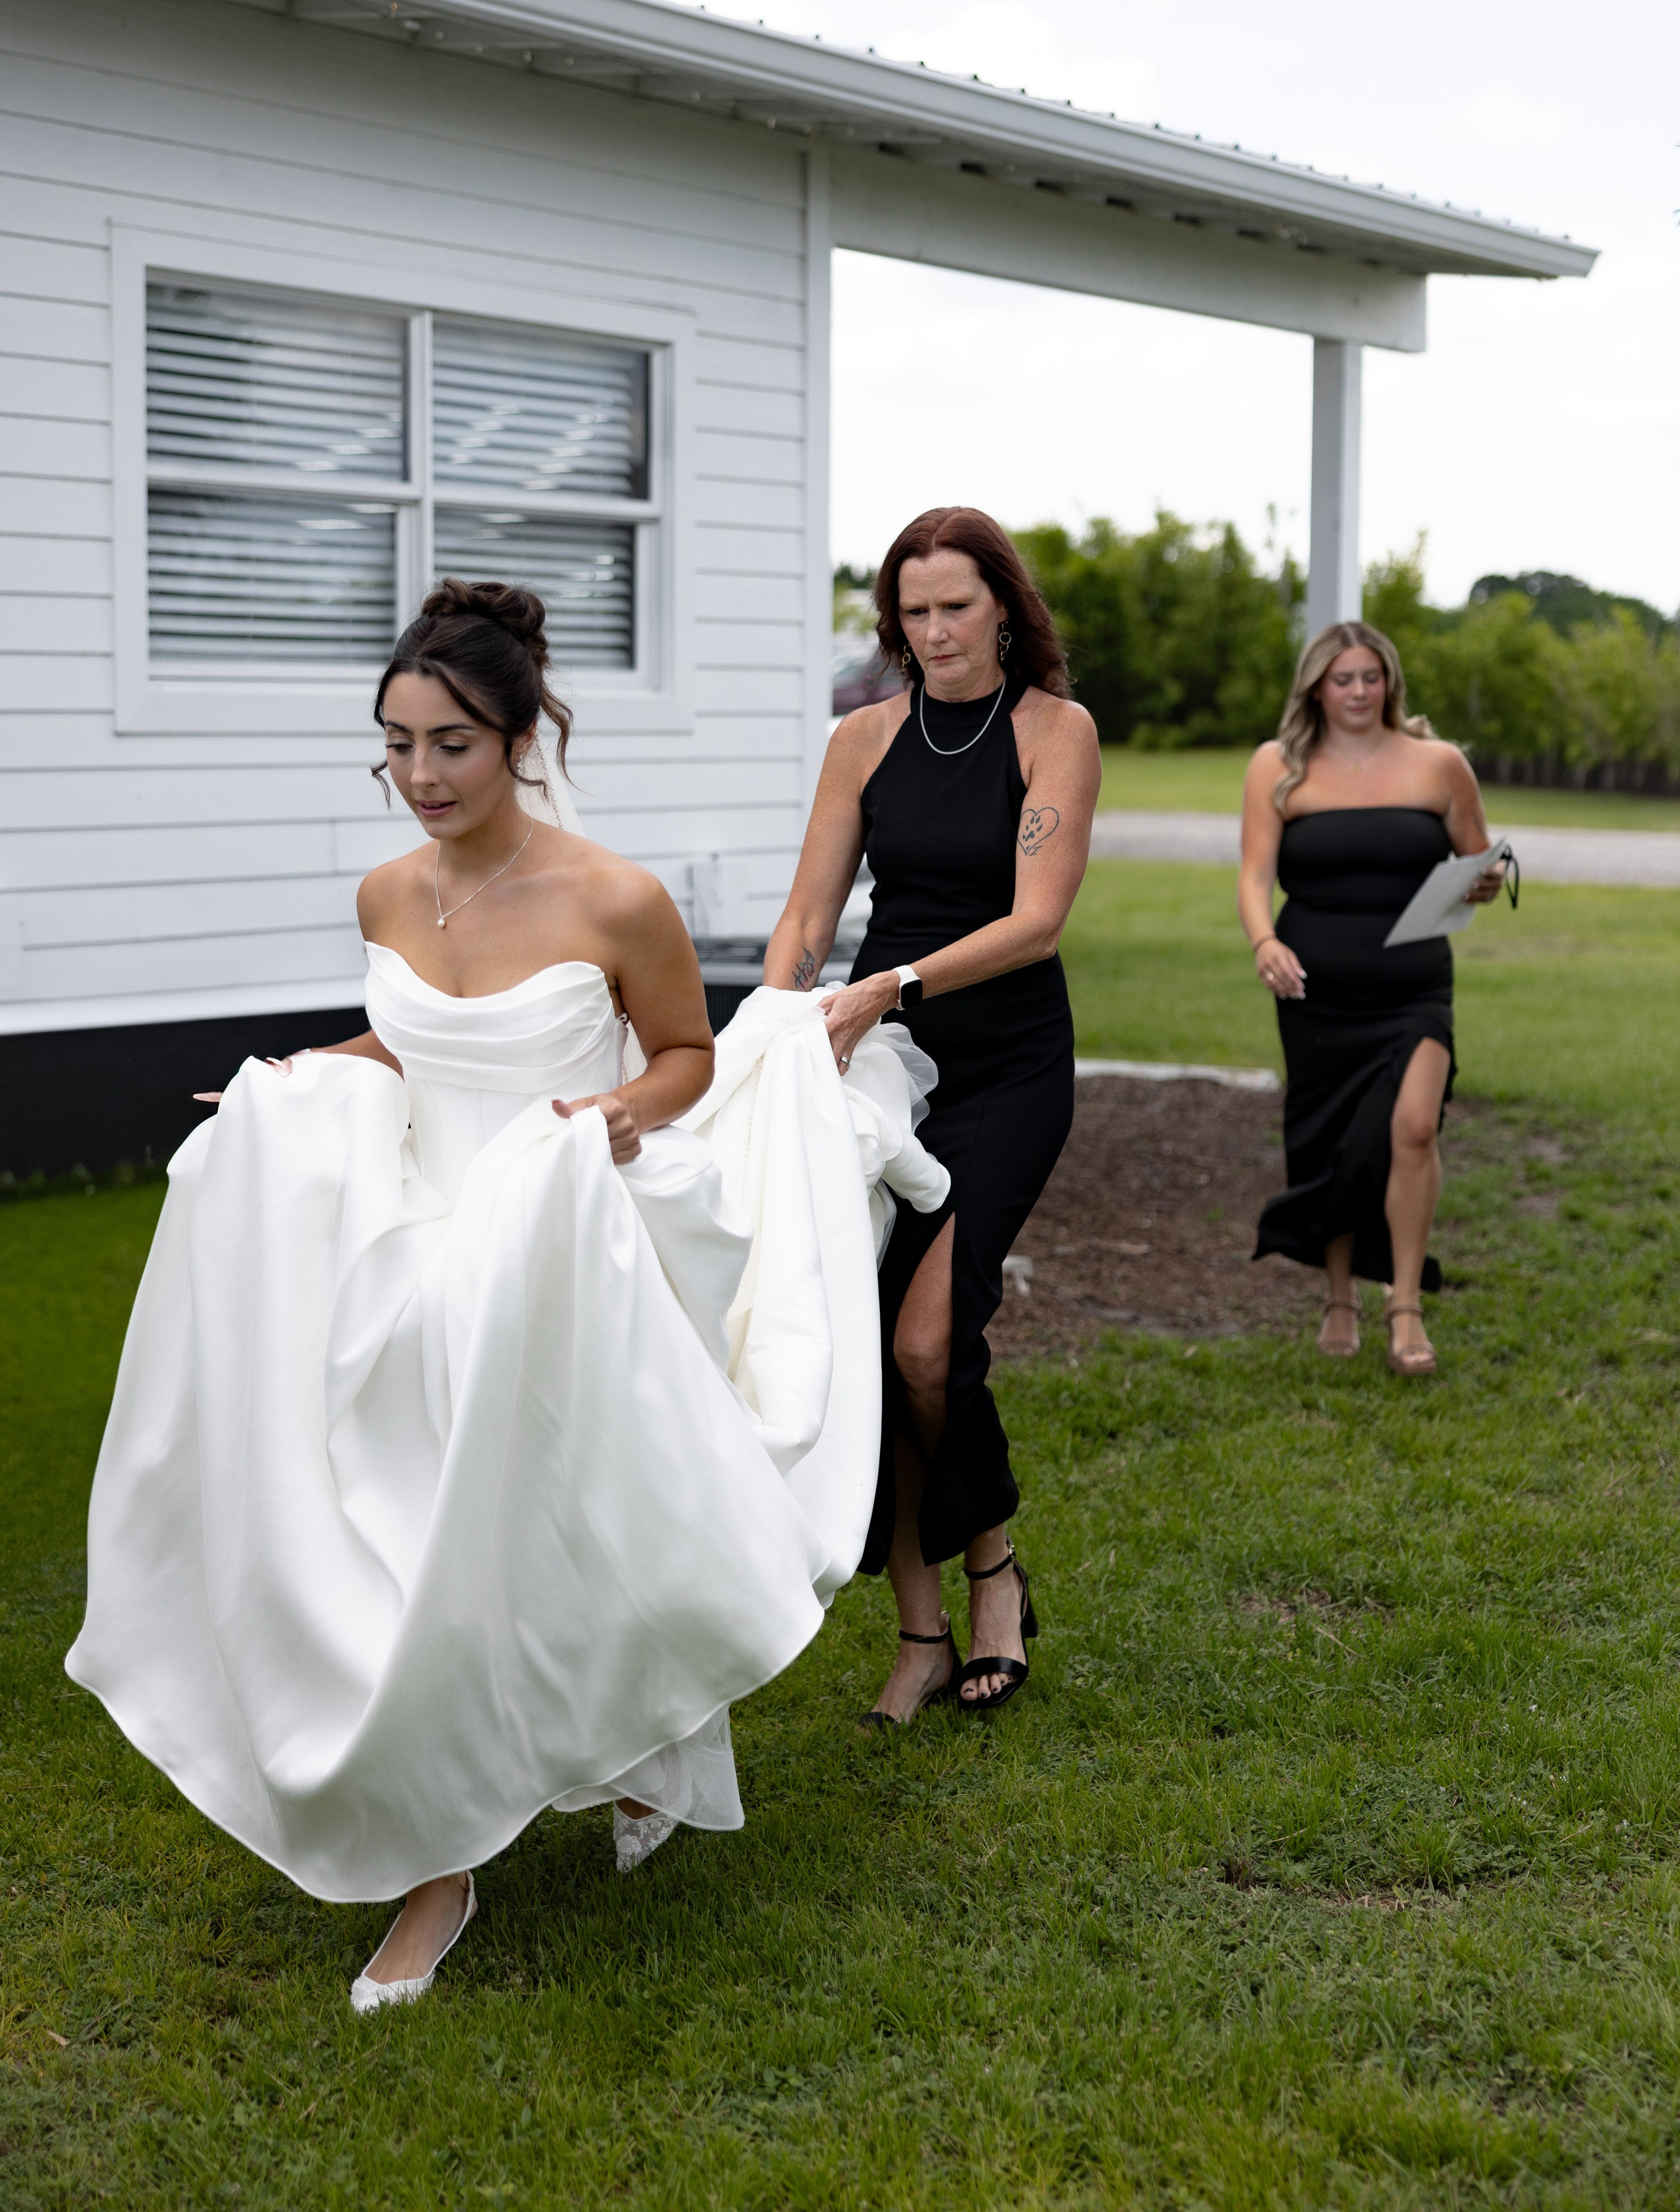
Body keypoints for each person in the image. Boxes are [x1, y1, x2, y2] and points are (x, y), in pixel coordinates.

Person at [66, 579, 908, 2012]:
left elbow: (684, 1056)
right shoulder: (387, 890)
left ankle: (595, 1768)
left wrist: (624, 1116)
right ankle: (440, 1849)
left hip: (555, 1223)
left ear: (519, 734)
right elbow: (407, 1040)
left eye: (447, 743)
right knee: (397, 1535)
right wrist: (295, 1083)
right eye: (392, 745)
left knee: (552, 1527)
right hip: (412, 1227)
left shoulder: (612, 896)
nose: (417, 778)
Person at [765, 507, 1100, 1722]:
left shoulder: (1054, 731)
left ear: (1004, 607)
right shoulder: (861, 739)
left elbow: (1037, 919)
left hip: (1006, 1064)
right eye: (913, 610)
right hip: (877, 1069)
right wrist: (773, 1020)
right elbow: (810, 915)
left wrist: (890, 981)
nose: (936, 630)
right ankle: (917, 1634)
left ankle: (996, 1572)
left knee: (925, 1345)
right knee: (869, 1354)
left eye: (957, 606)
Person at [1238, 620, 1505, 1374]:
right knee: (1334, 1144)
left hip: (1414, 985)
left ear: (1389, 683)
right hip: (1312, 987)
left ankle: (1405, 1302)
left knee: (1413, 1128)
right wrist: (1265, 942)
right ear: (1316, 687)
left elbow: (1476, 862)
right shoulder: (1277, 765)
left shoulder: (1440, 764)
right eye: (1342, 679)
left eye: (1370, 677)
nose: (1358, 692)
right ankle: (1337, 1297)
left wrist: (1484, 880)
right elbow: (1254, 876)